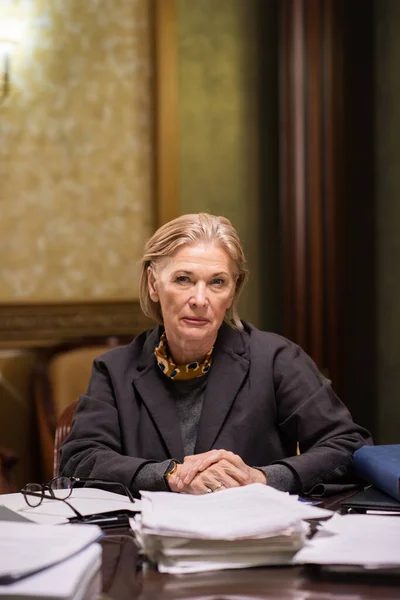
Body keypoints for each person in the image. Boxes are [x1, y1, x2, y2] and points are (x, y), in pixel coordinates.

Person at [60, 213, 371, 496]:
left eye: (217, 282)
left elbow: (349, 446)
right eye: (183, 279)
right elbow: (81, 458)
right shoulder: (114, 370)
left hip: (253, 539)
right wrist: (171, 474)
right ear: (154, 284)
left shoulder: (277, 359)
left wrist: (262, 478)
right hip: (147, 543)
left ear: (233, 291)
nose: (200, 299)